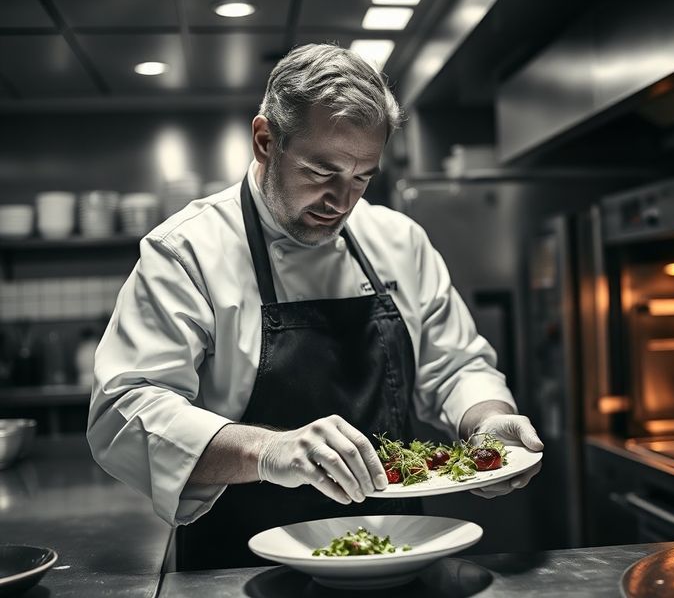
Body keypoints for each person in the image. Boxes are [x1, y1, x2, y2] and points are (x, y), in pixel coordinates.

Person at [87, 43, 543, 571]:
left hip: (395, 552)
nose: (342, 202)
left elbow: (456, 364)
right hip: (240, 566)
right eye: (322, 172)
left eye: (362, 177)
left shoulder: (398, 240)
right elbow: (125, 413)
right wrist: (268, 451)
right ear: (265, 141)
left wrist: (487, 422)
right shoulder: (187, 251)